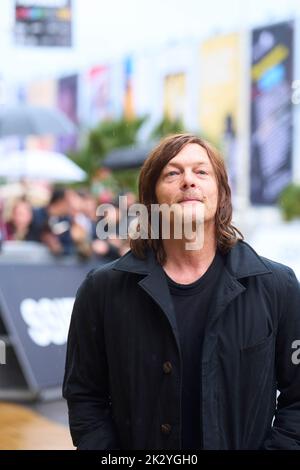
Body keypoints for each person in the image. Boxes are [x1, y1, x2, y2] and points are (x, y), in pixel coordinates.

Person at [63, 134, 300, 450]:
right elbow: (84, 396)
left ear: (221, 194)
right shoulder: (102, 291)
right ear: (151, 199)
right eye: (172, 173)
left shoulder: (277, 286)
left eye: (201, 172)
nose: (189, 181)